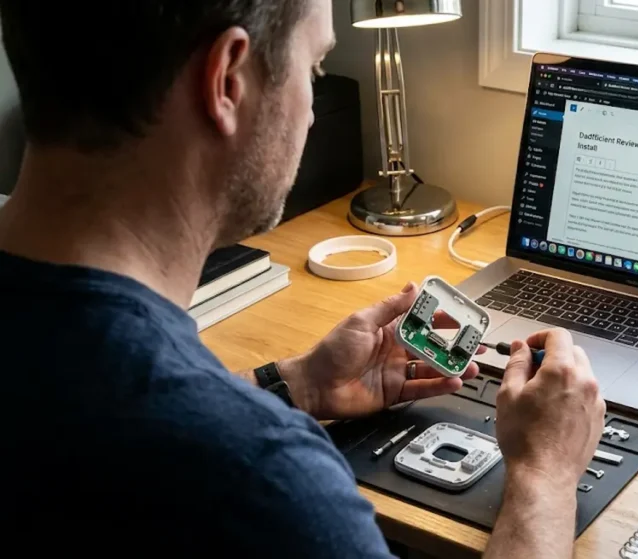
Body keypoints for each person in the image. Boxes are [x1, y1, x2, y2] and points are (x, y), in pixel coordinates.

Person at [0, 1, 606, 557]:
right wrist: (545, 478)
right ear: (227, 81)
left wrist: (292, 386)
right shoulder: (262, 481)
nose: (314, 110)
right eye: (314, 68)